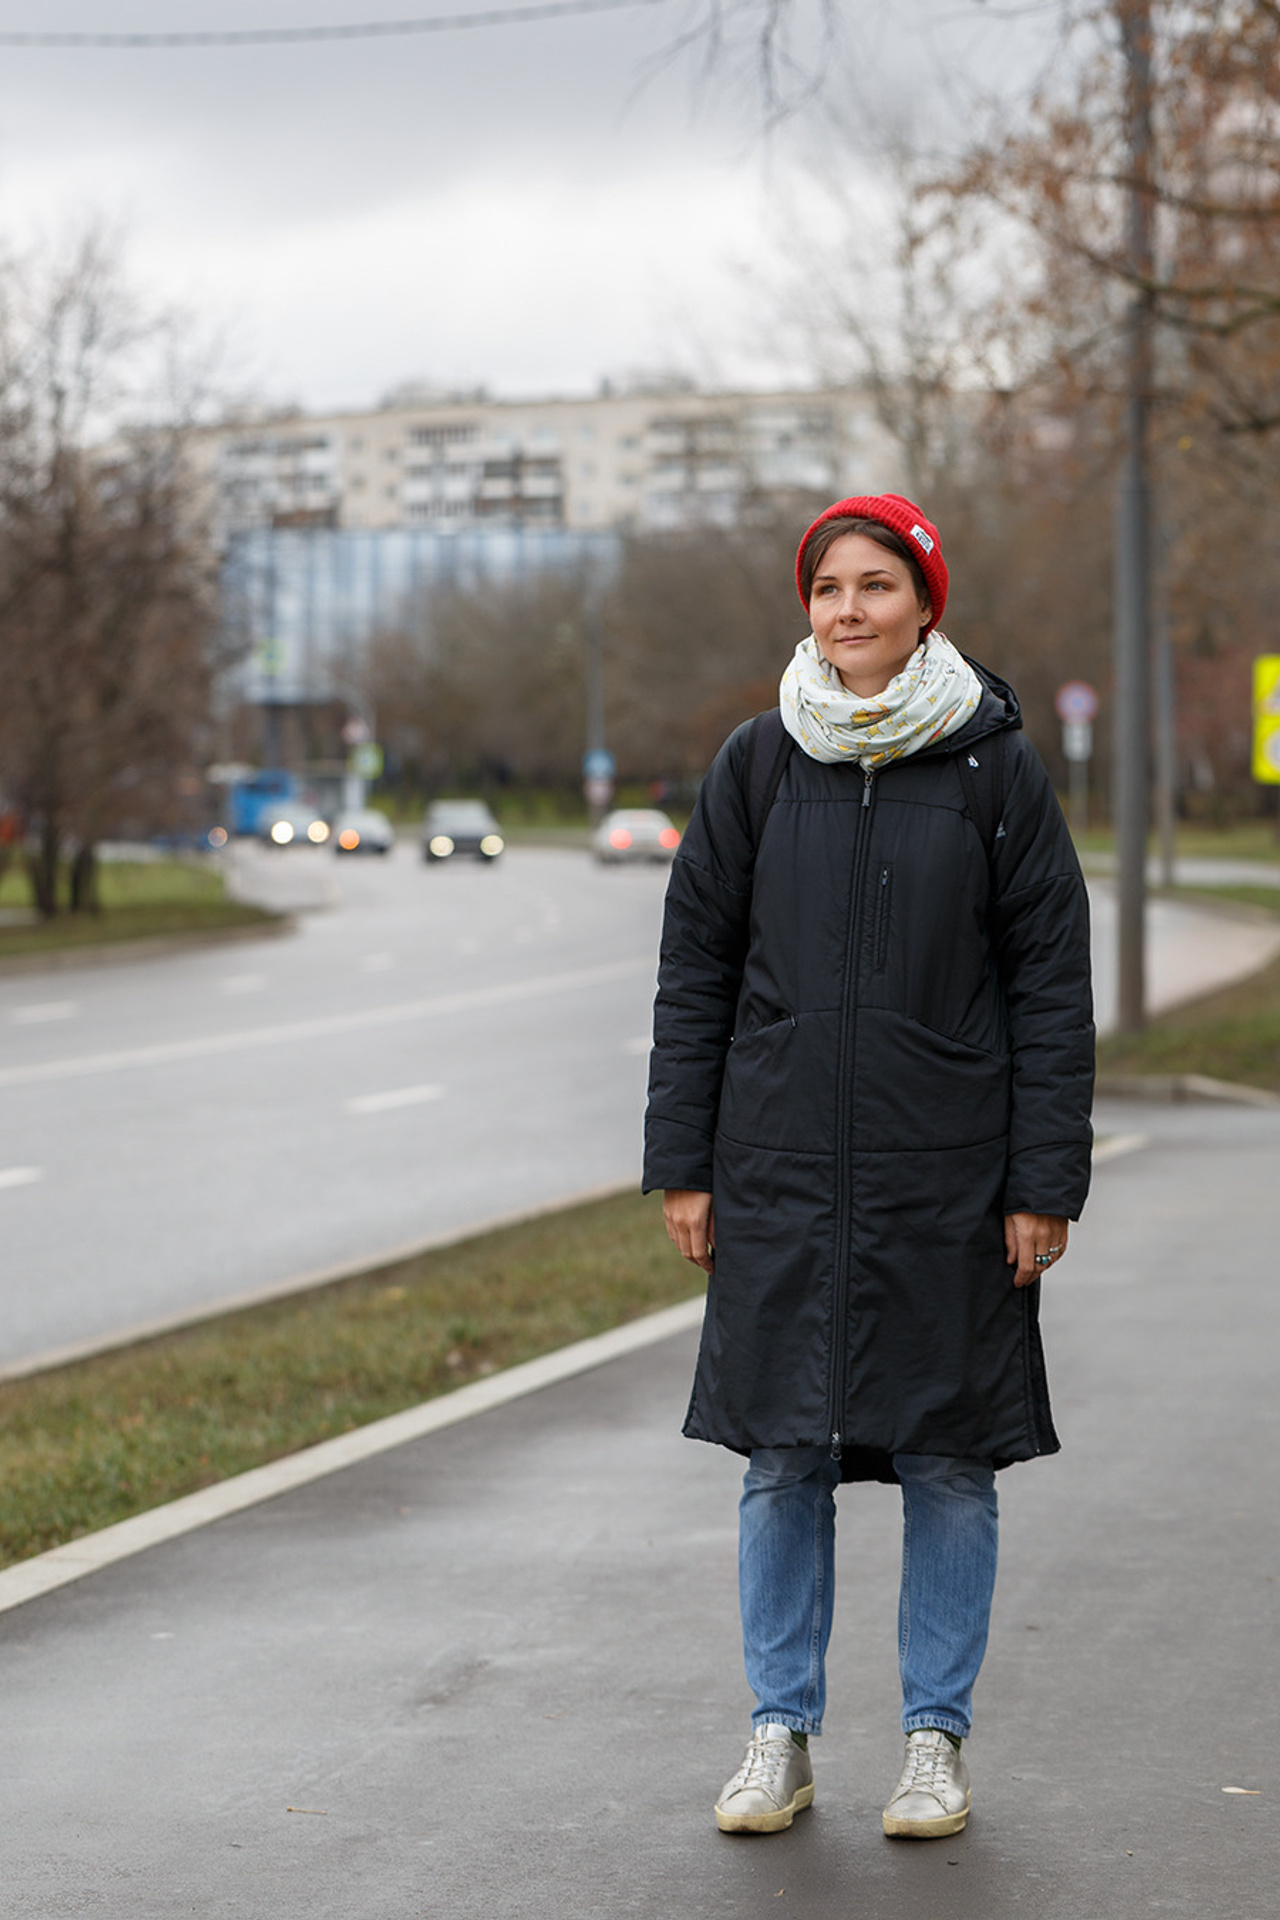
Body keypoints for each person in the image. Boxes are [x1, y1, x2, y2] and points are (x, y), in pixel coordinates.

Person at [643, 493, 1094, 1840]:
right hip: (779, 1169)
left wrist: (1042, 1180)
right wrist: (685, 1164)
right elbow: (696, 978)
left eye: (876, 586)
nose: (848, 609)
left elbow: (1051, 989)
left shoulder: (994, 771)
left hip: (946, 1172)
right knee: (782, 1457)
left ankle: (933, 1744)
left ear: (925, 603)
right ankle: (778, 1733)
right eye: (829, 586)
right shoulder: (757, 765)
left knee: (949, 1455)